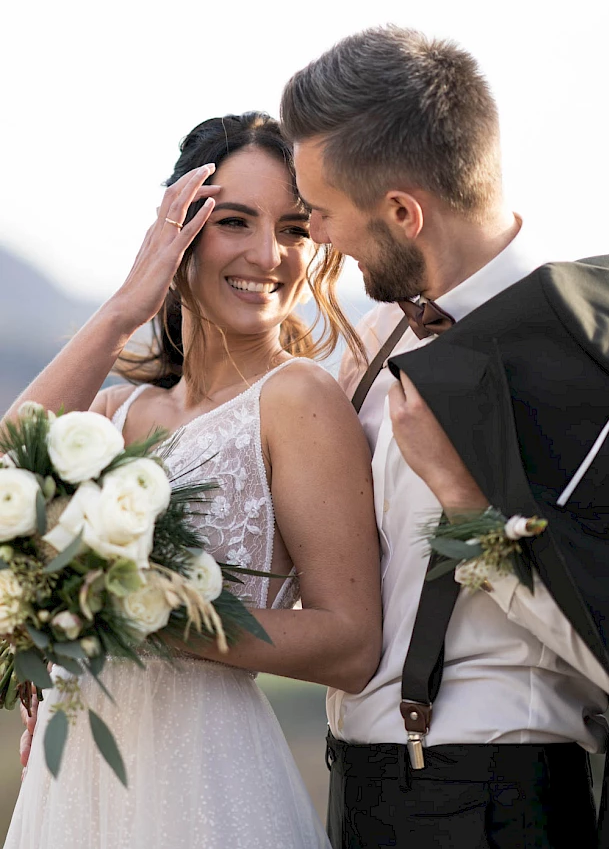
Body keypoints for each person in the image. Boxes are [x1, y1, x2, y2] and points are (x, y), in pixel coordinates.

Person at [3, 111, 382, 849]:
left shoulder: (298, 397)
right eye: (234, 221)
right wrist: (120, 310)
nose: (268, 253)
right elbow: (11, 472)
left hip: (209, 776)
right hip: (76, 770)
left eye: (296, 228)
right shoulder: (114, 409)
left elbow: (350, 643)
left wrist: (145, 614)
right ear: (179, 235)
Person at [280, 27, 609, 848]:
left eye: (319, 211)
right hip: (356, 789)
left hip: (498, 803)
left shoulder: (584, 358)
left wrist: (466, 501)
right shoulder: (370, 335)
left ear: (401, 212)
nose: (315, 235)